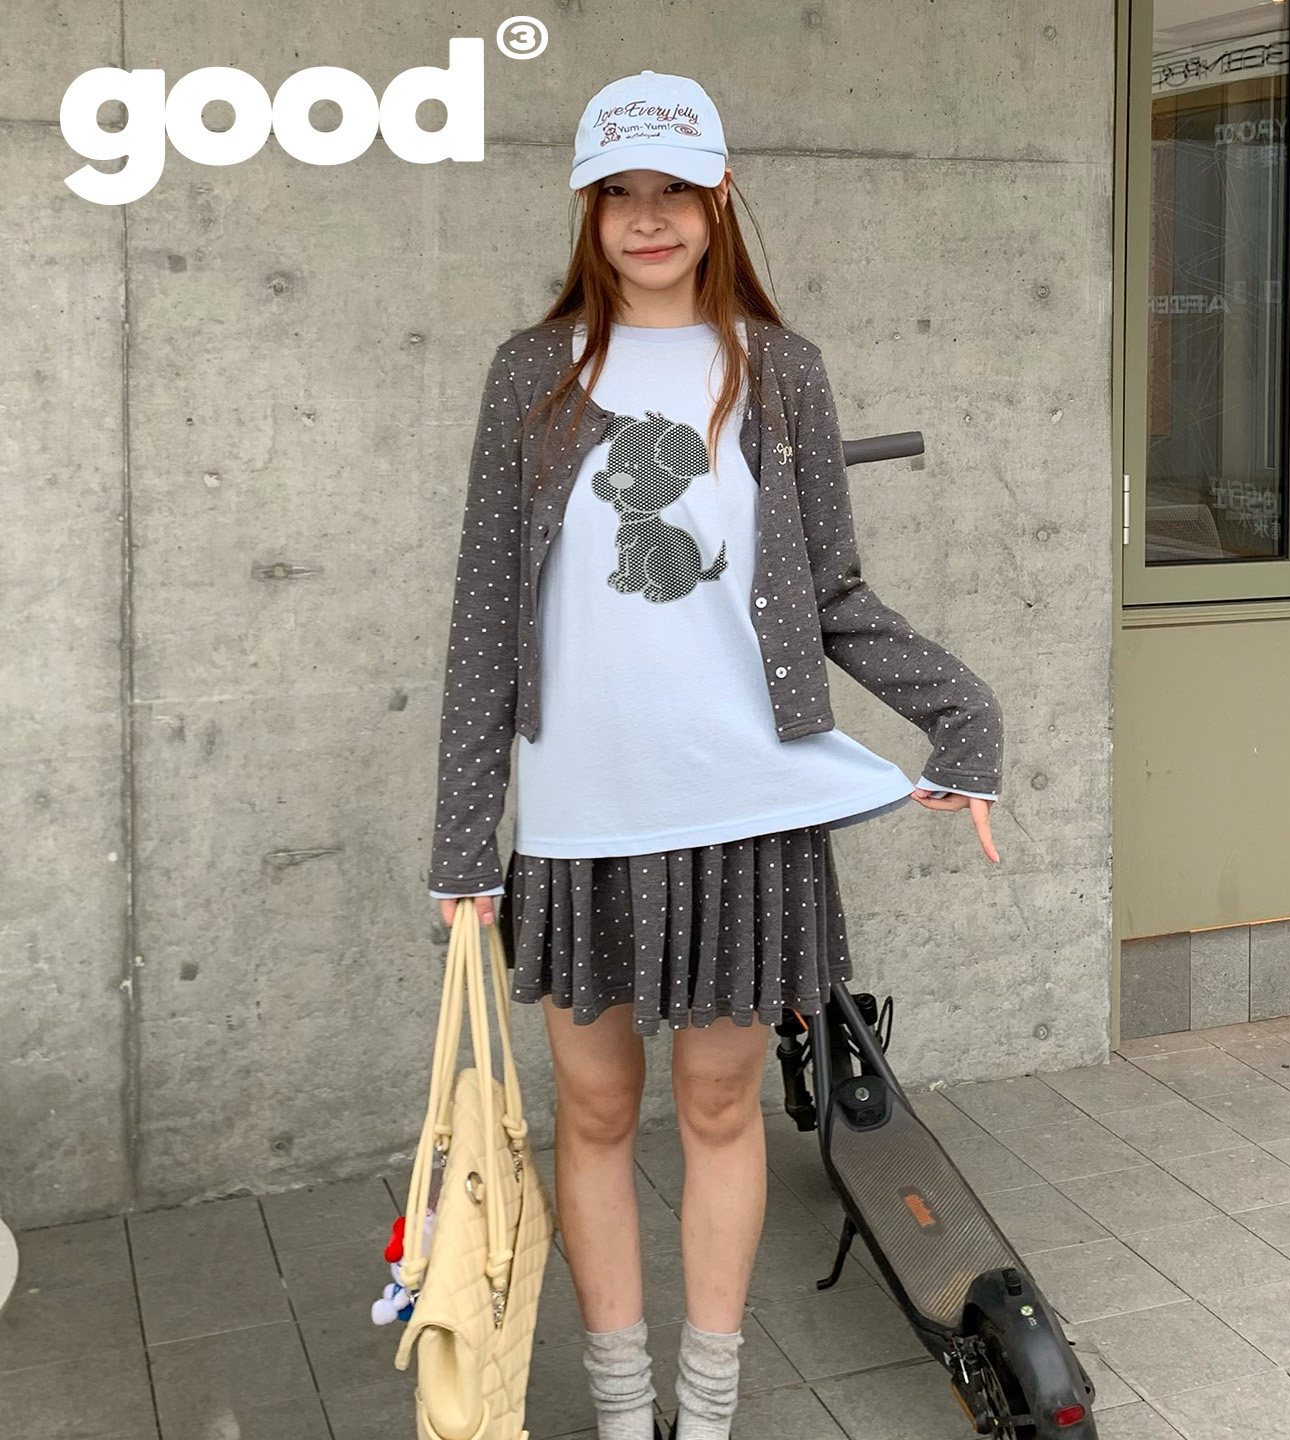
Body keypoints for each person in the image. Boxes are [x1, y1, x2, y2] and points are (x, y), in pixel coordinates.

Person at [426, 70, 1004, 1440]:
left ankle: (710, 1407)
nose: (649, 218)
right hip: (583, 814)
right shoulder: (532, 372)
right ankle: (625, 1411)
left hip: (746, 809)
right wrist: (463, 843)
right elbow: (485, 615)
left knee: (722, 1105)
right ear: (587, 206)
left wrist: (965, 718)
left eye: (675, 189)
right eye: (621, 193)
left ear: (719, 195)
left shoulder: (781, 369)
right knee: (594, 1112)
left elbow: (833, 594)